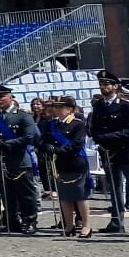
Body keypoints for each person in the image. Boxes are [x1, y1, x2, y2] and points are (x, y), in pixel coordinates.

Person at [88, 71, 129, 235]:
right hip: (108, 151)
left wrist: (109, 137)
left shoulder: (126, 105)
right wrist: (100, 139)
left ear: (115, 86)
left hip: (126, 150)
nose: (104, 87)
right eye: (102, 84)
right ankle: (116, 221)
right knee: (114, 188)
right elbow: (94, 128)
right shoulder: (98, 106)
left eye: (107, 84)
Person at [0, 85, 43, 236]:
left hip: (20, 159)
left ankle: (29, 221)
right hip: (0, 160)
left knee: (26, 194)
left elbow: (30, 136)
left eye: (2, 96)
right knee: (6, 193)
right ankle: (12, 220)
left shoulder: (23, 115)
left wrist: (8, 144)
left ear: (10, 98)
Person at [43, 97, 95, 239]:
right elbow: (45, 140)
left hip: (75, 162)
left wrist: (57, 150)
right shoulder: (52, 124)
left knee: (80, 196)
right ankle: (69, 225)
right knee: (64, 197)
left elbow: (76, 144)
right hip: (60, 164)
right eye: (56, 107)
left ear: (70, 109)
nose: (57, 109)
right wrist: (46, 147)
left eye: (61, 107)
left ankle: (86, 225)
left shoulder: (77, 124)